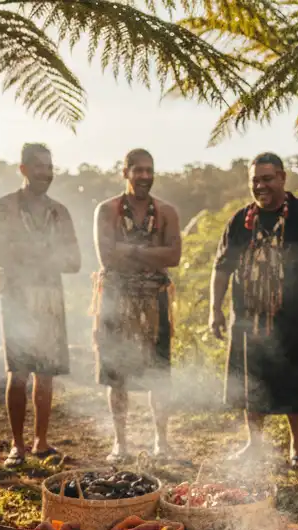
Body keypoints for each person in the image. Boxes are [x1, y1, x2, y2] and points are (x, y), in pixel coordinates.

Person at [210, 153, 298, 466]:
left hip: (294, 317)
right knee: (251, 381)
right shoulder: (240, 221)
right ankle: (255, 443)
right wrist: (215, 309)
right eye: (255, 180)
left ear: (282, 177)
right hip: (248, 318)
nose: (260, 185)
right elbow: (222, 267)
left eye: (267, 179)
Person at [0, 143, 81, 468]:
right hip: (16, 298)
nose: (46, 172)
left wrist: (31, 253)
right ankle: (18, 445)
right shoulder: (4, 207)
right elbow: (0, 254)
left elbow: (75, 261)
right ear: (24, 169)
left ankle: (41, 441)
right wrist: (46, 254)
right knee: (18, 372)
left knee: (45, 374)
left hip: (50, 297)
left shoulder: (60, 212)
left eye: (49, 166)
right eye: (39, 166)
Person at [92, 148, 181, 461]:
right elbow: (107, 257)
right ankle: (121, 443)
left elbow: (174, 257)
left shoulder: (167, 212)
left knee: (160, 371)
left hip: (155, 301)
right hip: (117, 300)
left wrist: (129, 250)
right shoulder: (107, 211)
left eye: (149, 170)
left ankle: (161, 442)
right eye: (138, 170)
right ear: (125, 172)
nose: (145, 176)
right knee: (117, 373)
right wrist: (152, 252)